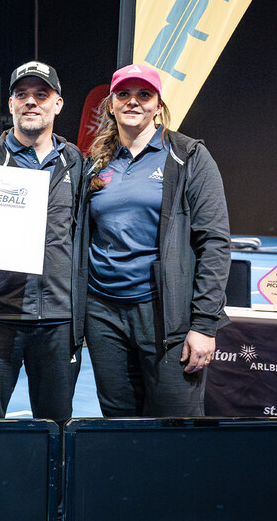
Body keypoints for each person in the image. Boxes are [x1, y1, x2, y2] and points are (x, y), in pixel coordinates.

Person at [78, 63, 230, 417]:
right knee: (119, 421)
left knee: (175, 425)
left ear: (158, 104)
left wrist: (204, 324)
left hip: (165, 314)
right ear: (111, 104)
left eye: (144, 95)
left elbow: (215, 242)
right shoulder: (95, 163)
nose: (134, 102)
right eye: (124, 95)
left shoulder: (188, 155)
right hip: (104, 315)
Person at [0, 61, 83, 423]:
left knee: (58, 429)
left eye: (41, 95)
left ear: (57, 104)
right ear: (11, 104)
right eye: (22, 94)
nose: (31, 102)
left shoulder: (77, 162)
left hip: (59, 323)